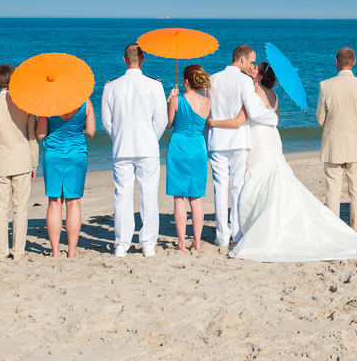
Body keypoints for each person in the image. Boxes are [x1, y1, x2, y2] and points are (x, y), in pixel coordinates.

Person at [228, 62, 357, 261]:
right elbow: (275, 119)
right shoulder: (274, 95)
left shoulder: (254, 94)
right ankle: (354, 229)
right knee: (353, 189)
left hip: (261, 140)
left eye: (255, 68)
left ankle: (262, 225)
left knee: (259, 179)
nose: (251, 68)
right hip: (273, 139)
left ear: (260, 76)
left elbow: (243, 118)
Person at [206, 45, 280, 247]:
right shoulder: (244, 81)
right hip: (237, 140)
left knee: (220, 188)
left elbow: (206, 110)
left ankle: (221, 237)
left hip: (216, 140)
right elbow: (254, 111)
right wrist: (272, 117)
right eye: (251, 61)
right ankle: (237, 235)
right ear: (242, 59)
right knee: (237, 187)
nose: (252, 66)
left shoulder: (212, 79)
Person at [102, 44, 167, 257]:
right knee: (148, 194)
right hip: (147, 147)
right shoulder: (155, 85)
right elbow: (161, 120)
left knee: (122, 194)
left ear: (124, 59)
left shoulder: (111, 87)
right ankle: (148, 243)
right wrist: (150, 138)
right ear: (143, 59)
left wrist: (119, 137)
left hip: (122, 147)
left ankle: (122, 243)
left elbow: (107, 123)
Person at [0, 64, 39, 262]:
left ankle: (0, 252)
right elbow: (32, 136)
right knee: (20, 208)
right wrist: (34, 162)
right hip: (21, 160)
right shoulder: (26, 104)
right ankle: (19, 251)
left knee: (0, 209)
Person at [165, 65, 227, 253]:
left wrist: (169, 100)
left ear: (185, 81)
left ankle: (182, 243)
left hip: (179, 147)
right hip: (198, 147)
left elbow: (168, 124)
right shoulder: (207, 102)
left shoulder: (176, 100)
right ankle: (197, 242)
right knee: (196, 198)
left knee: (179, 198)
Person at [317, 47, 357, 234]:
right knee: (356, 189)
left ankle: (334, 230)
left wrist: (331, 126)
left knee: (333, 189)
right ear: (354, 62)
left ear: (336, 62)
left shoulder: (326, 85)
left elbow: (320, 118)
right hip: (355, 141)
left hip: (333, 142)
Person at [36, 98, 96, 258]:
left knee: (54, 202)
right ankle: (71, 251)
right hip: (76, 154)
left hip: (54, 155)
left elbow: (41, 134)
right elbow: (90, 132)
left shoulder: (47, 104)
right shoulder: (85, 102)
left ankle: (55, 251)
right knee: (73, 202)